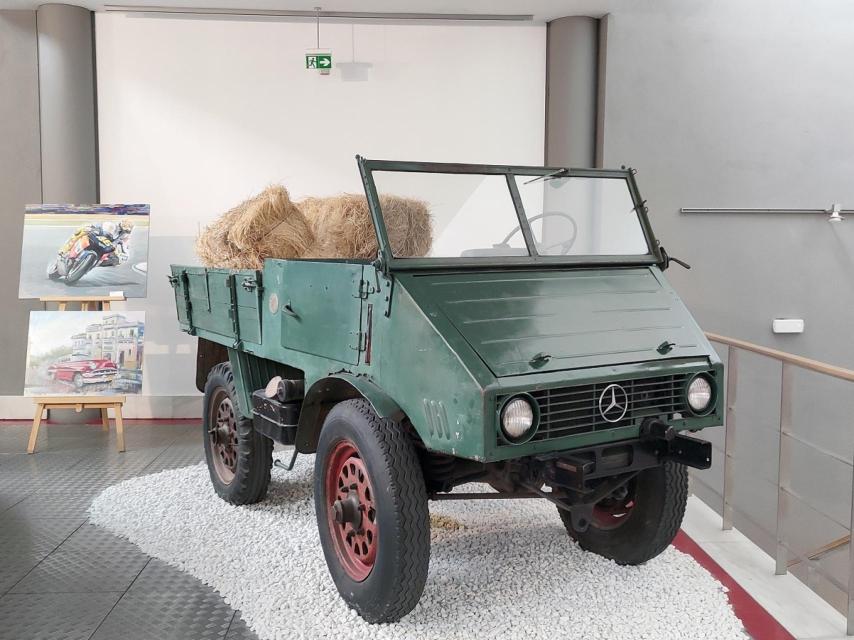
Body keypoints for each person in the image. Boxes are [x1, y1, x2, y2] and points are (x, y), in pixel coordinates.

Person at [58, 219, 134, 266]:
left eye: (127, 231)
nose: (125, 232)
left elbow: (125, 247)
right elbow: (101, 231)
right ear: (121, 225)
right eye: (124, 230)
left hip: (106, 246)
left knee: (117, 260)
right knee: (81, 231)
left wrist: (125, 255)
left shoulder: (125, 236)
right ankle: (64, 250)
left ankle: (93, 264)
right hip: (95, 236)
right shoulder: (111, 225)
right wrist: (90, 229)